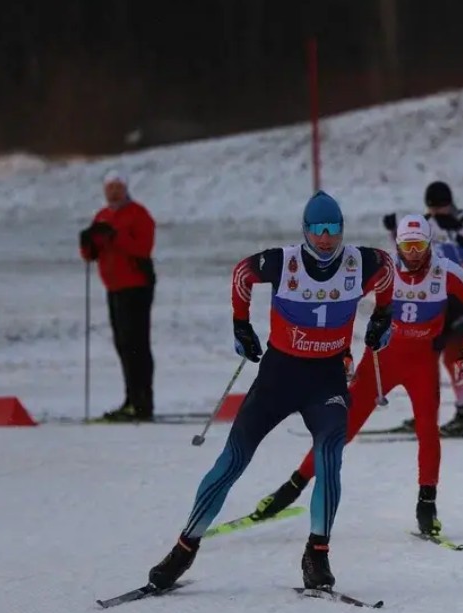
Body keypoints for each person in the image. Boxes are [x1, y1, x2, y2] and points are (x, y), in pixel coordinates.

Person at [147, 190, 394, 592]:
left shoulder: (360, 261)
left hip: (327, 378)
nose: (326, 239)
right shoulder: (285, 261)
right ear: (306, 231)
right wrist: (240, 324)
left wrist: (385, 316)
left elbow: (387, 269)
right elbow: (243, 273)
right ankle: (183, 548)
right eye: (318, 231)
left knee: (330, 457)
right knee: (232, 460)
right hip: (279, 375)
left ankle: (317, 554)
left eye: (333, 230)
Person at [251, 214, 463, 536]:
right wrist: (343, 351)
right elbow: (342, 307)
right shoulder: (382, 269)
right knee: (342, 429)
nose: (414, 253)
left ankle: (426, 505)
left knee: (428, 430)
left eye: (419, 245)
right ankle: (291, 488)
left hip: (422, 365)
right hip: (380, 362)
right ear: (398, 245)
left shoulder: (446, 271)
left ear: (429, 244)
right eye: (407, 246)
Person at [382, 181, 463, 436]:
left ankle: (462, 415)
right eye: (433, 209)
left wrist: (459, 228)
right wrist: (392, 232)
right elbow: (407, 253)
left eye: (441, 208)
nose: (438, 214)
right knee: (425, 354)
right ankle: (426, 412)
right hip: (438, 296)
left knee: (453, 354)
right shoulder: (426, 223)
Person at [79, 169, 157, 422]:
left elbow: (142, 248)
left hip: (136, 286)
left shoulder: (138, 214)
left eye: (118, 187)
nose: (113, 192)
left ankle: (142, 402)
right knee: (123, 345)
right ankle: (130, 399)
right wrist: (87, 243)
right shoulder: (102, 216)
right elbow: (92, 255)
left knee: (136, 345)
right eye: (109, 187)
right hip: (113, 288)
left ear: (125, 189)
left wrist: (117, 236)